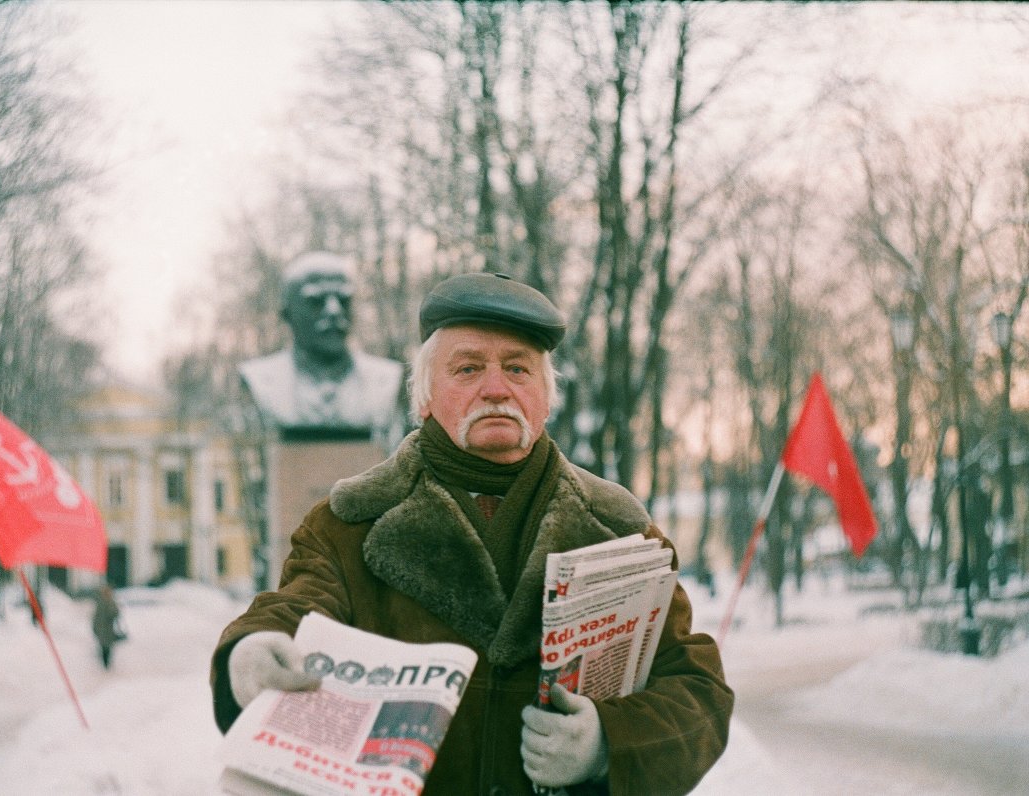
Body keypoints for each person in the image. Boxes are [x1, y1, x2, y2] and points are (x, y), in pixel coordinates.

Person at [210, 272, 733, 794]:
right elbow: (297, 608)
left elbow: (697, 688)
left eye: (518, 369)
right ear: (425, 398)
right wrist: (254, 648)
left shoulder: (620, 531)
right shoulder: (349, 522)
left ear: (545, 399)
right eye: (468, 368)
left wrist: (608, 743)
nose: (497, 388)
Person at [238, 251, 404, 433]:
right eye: (316, 301)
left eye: (343, 300)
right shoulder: (260, 379)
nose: (334, 311)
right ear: (287, 313)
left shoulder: (386, 378)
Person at [92, 583, 124, 670]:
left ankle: (105, 664)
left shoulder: (101, 602)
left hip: (105, 628)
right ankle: (106, 665)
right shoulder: (108, 602)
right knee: (106, 646)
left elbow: (95, 617)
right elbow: (114, 613)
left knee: (105, 646)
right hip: (106, 628)